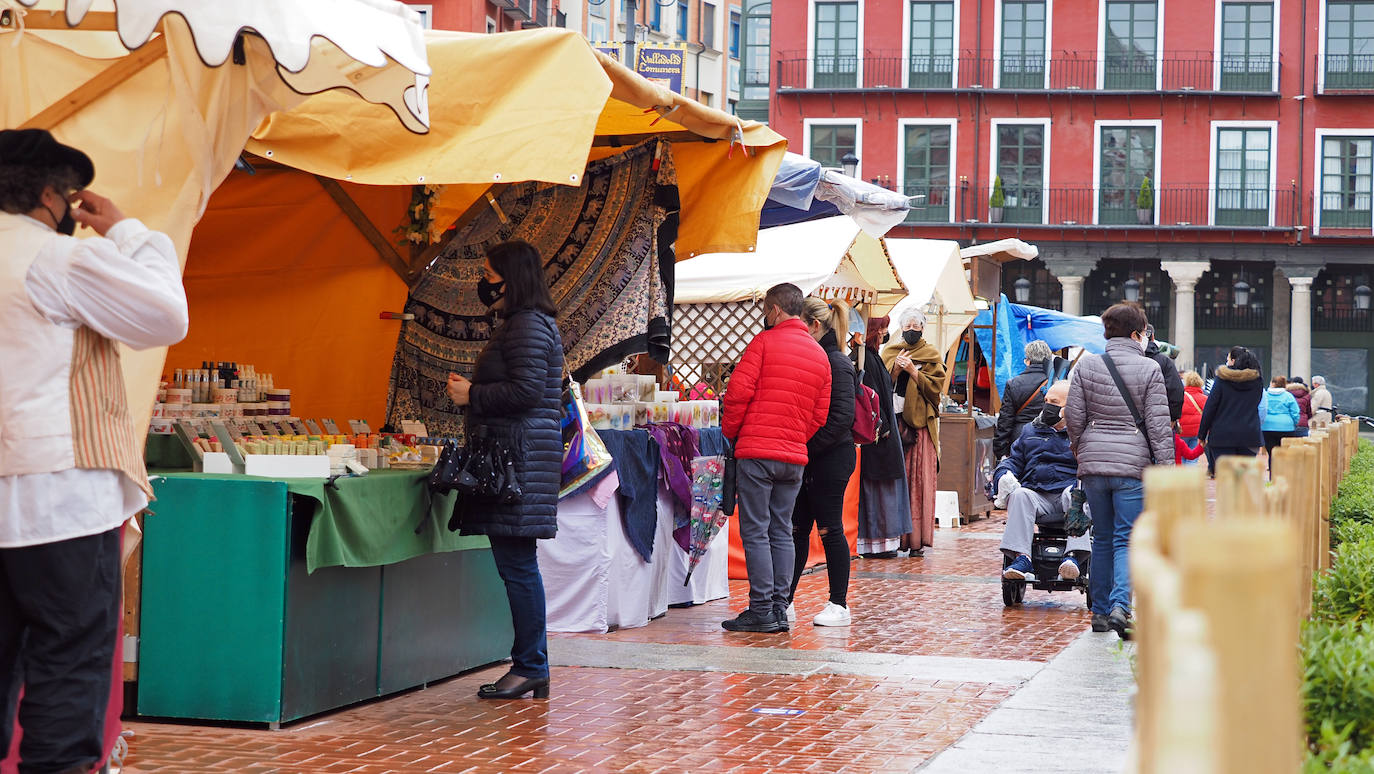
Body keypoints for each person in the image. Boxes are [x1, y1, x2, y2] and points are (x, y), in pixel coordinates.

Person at [1, 128, 189, 772]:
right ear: (52, 195)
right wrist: (132, 234)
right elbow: (166, 314)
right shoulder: (53, 259)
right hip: (59, 498)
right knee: (66, 666)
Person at [446, 240, 564, 699]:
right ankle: (531, 664)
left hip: (519, 461)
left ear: (510, 279)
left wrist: (472, 394)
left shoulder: (527, 326)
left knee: (517, 568)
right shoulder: (526, 324)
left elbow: (527, 392)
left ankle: (530, 665)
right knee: (519, 566)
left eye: (489, 274)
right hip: (522, 458)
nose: (484, 282)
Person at [720, 283, 831, 633]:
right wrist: (797, 436)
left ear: (775, 310)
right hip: (794, 456)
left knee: (755, 530)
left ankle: (761, 608)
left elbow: (737, 394)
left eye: (764, 311)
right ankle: (781, 608)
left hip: (757, 450)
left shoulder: (764, 343)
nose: (762, 317)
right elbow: (820, 414)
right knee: (782, 529)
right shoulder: (818, 354)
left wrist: (732, 433)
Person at [1065, 303, 1173, 640]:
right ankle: (1120, 608)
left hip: (1094, 465)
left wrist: (1082, 450)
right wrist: (1166, 469)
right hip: (1132, 466)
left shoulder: (1087, 367)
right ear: (1137, 334)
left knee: (1103, 538)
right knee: (1127, 538)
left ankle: (1099, 611)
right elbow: (1158, 426)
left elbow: (1073, 417)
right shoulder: (1150, 369)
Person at [786, 298, 857, 627]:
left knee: (829, 529)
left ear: (814, 325)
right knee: (798, 528)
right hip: (813, 457)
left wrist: (806, 447)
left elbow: (841, 419)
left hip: (830, 458)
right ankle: (785, 599)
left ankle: (839, 604)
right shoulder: (822, 358)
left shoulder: (837, 362)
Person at [994, 382, 1092, 581]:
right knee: (1020, 495)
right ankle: (1022, 558)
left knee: (1076, 494)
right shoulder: (1030, 431)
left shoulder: (1083, 434)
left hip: (1068, 491)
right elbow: (1014, 460)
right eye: (1046, 401)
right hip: (1038, 494)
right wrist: (1003, 474)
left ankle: (1073, 557)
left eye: (1054, 402)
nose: (1047, 406)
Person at [882, 308, 949, 557]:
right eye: (907, 324)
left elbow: (935, 390)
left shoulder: (931, 355)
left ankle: (917, 540)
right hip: (894, 421)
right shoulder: (889, 351)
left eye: (916, 325)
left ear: (923, 328)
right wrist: (896, 371)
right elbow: (881, 384)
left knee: (918, 482)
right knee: (895, 481)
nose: (912, 329)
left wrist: (913, 371)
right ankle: (893, 538)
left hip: (920, 425)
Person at [853, 315, 912, 559]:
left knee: (881, 488)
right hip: (877, 436)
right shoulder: (865, 357)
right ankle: (874, 542)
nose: (884, 333)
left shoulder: (872, 356)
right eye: (882, 328)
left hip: (882, 435)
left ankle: (882, 542)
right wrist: (882, 428)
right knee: (876, 489)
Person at [1197, 347, 1266, 477]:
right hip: (1249, 435)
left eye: (1228, 358)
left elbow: (1210, 407)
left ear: (1234, 361)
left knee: (1226, 479)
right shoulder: (1257, 382)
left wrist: (1202, 434)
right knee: (1244, 478)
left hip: (1222, 435)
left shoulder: (1222, 380)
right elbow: (1258, 404)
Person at [994, 340, 1054, 460]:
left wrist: (1000, 450)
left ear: (1027, 361)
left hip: (1020, 438)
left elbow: (1005, 420)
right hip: (1049, 439)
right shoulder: (1056, 384)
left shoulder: (1014, 383)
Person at [1144, 324, 1185, 424]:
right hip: (1158, 419)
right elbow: (1176, 390)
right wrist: (1172, 417)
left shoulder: (1119, 360)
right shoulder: (1164, 361)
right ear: (1153, 337)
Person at [1261, 376, 1302, 461]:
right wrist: (1295, 423)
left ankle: (1273, 472)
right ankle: (1284, 472)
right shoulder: (1288, 396)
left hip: (1267, 426)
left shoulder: (1264, 395)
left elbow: (1261, 409)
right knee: (1285, 454)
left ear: (1272, 383)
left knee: (1271, 454)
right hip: (1286, 427)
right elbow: (1295, 412)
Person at [1178, 370, 1208, 465]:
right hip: (1197, 432)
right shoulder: (1204, 398)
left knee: (1181, 457)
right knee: (1193, 458)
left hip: (1181, 432)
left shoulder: (1180, 397)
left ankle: (1182, 478)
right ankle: (1190, 478)